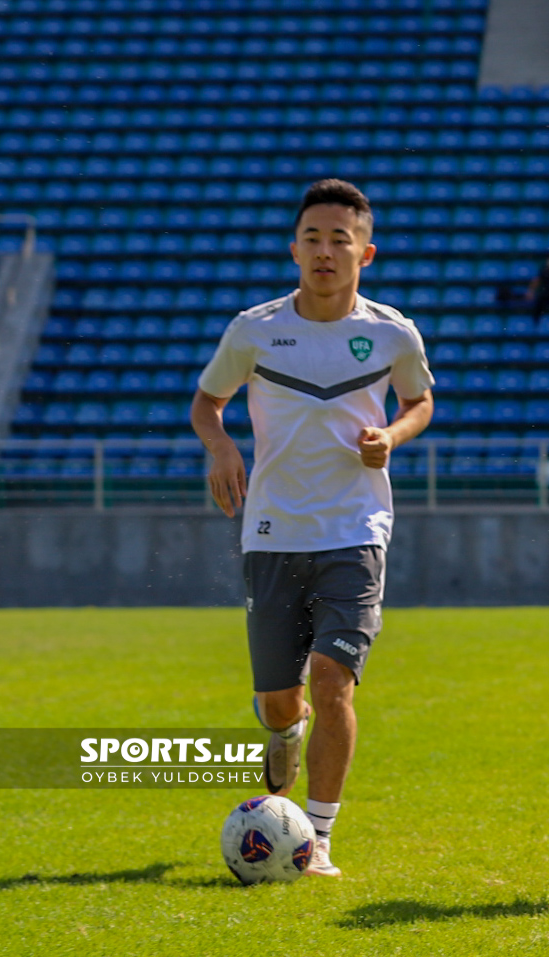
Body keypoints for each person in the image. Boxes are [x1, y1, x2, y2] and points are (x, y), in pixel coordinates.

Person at [190, 179, 434, 877]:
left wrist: (392, 432)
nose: (326, 251)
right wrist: (222, 445)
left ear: (367, 252)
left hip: (356, 527)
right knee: (279, 699)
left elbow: (420, 401)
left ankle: (317, 838)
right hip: (271, 530)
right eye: (314, 238)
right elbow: (208, 403)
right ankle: (284, 728)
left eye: (341, 239)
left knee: (333, 679)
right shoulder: (255, 329)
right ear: (293, 248)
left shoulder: (391, 332)